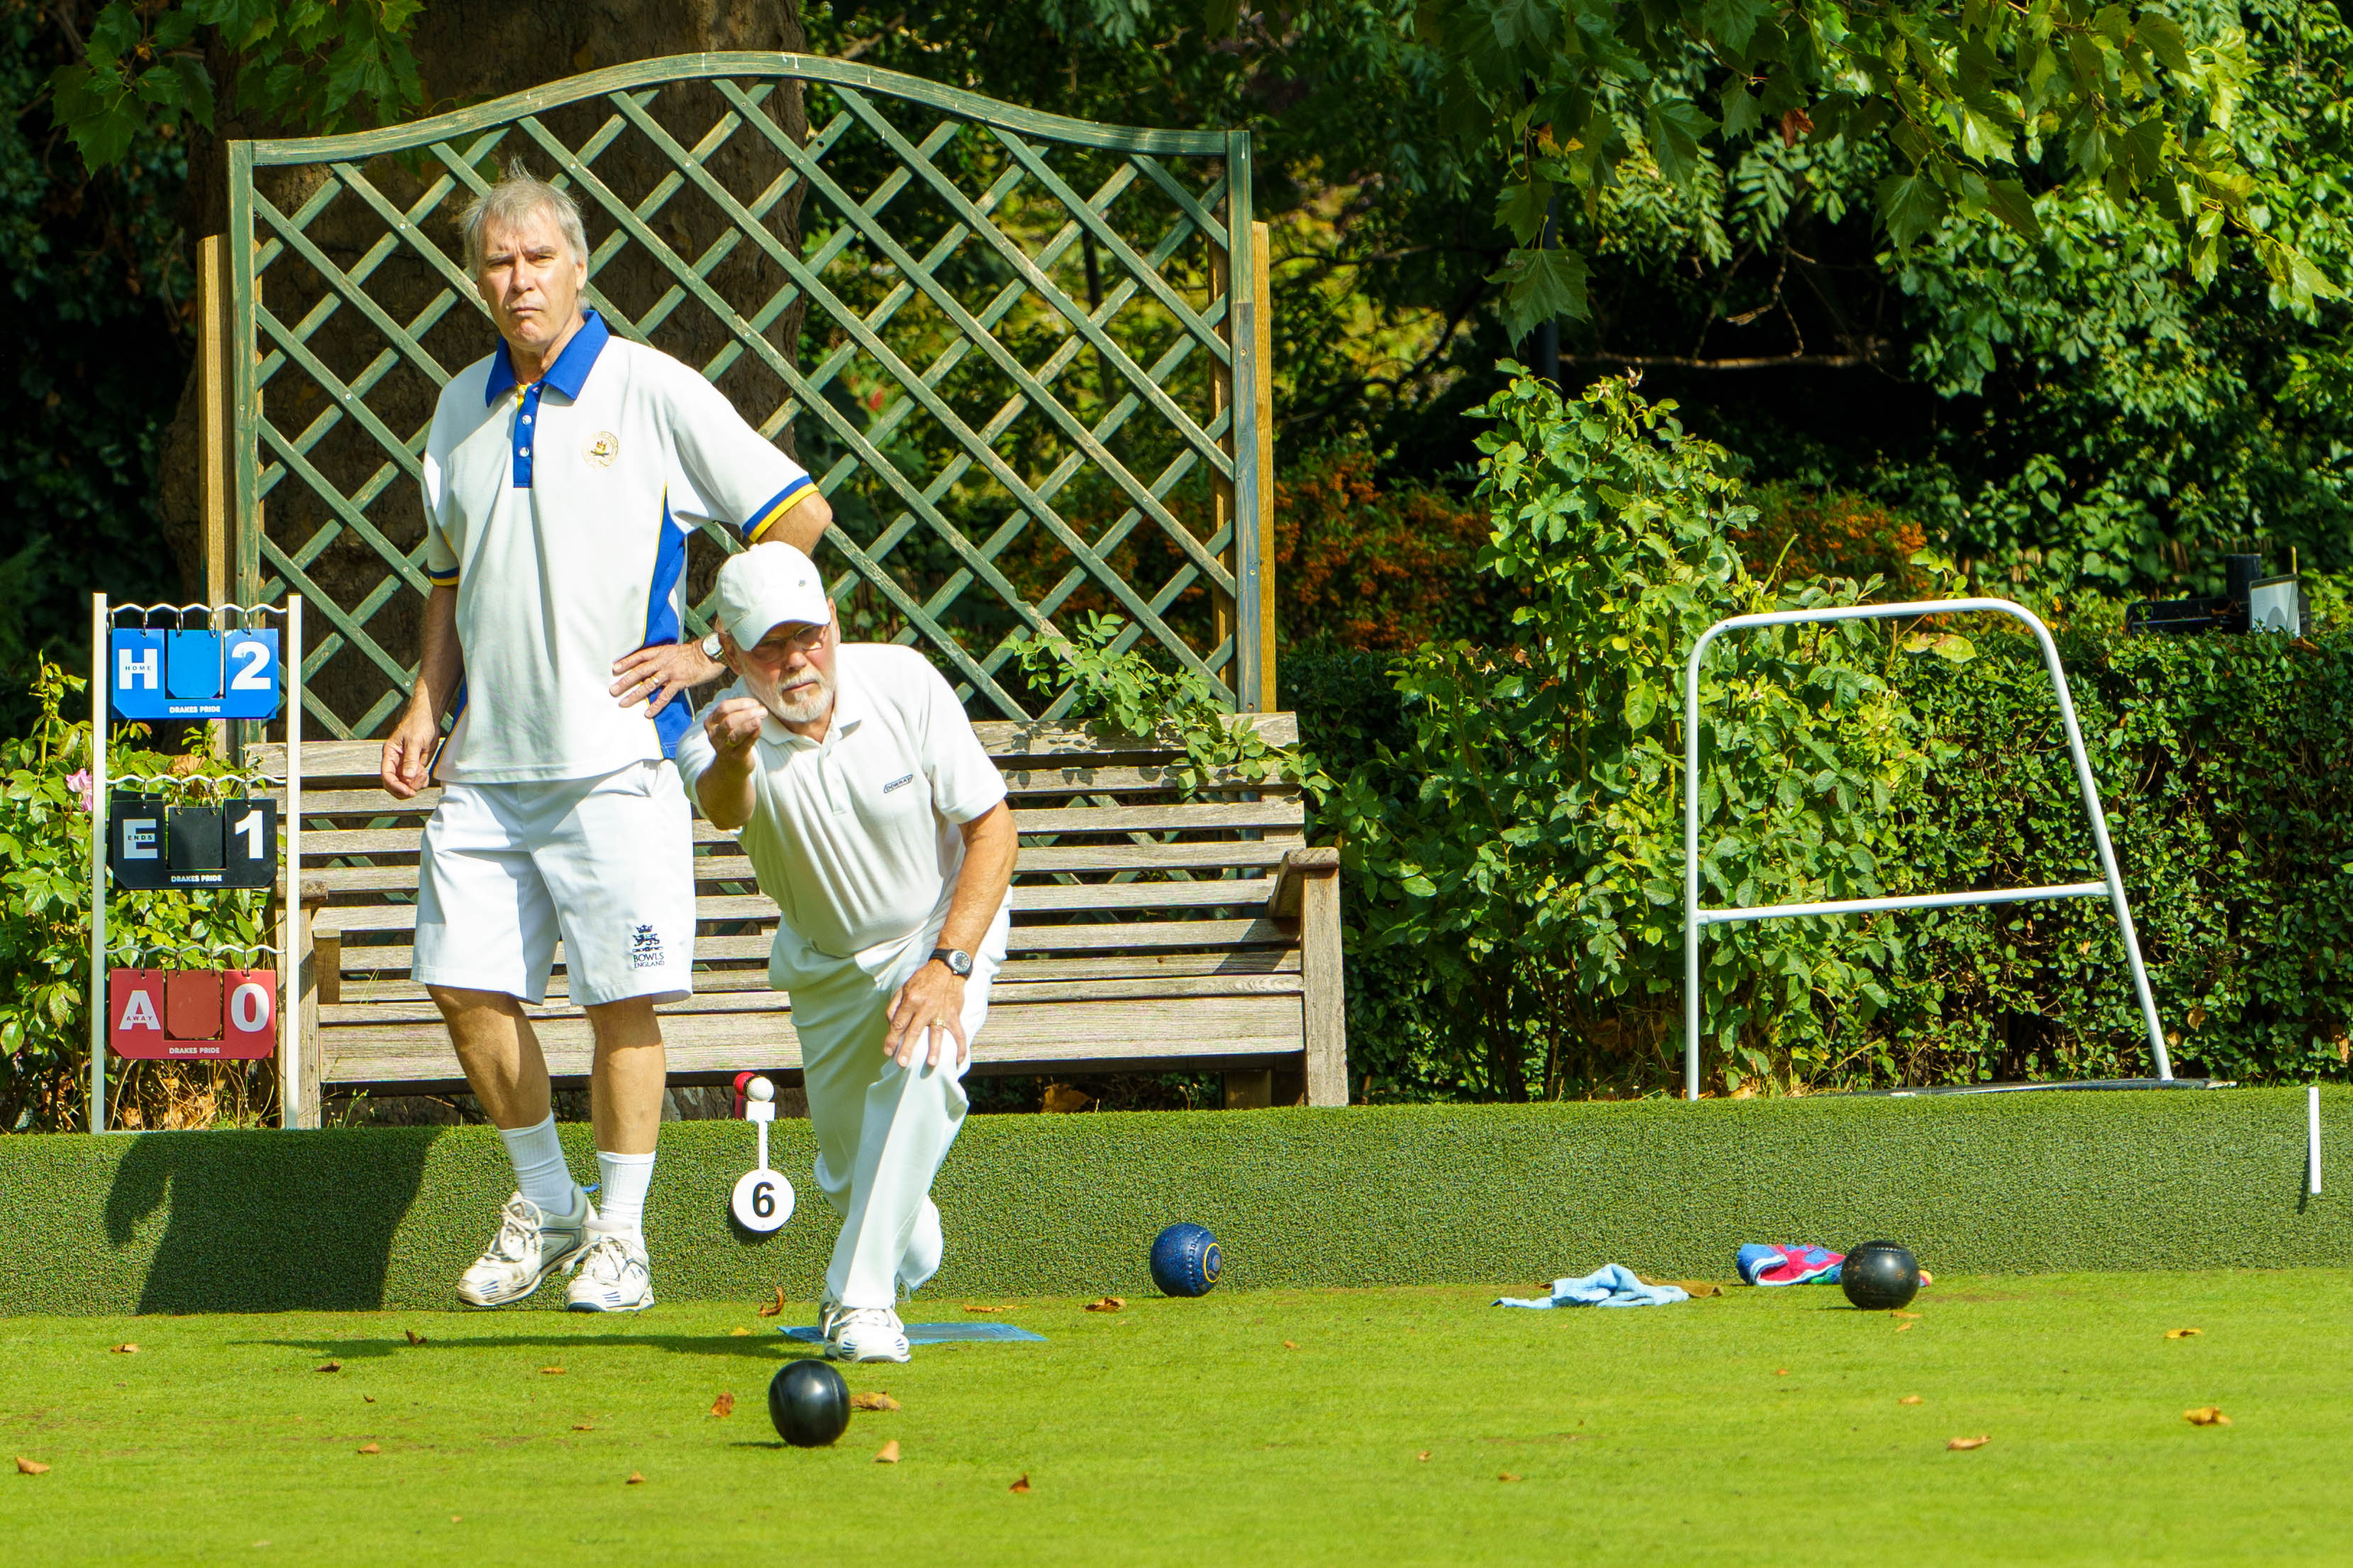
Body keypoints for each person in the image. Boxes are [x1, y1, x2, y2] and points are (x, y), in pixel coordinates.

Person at [380, 168, 830, 1313]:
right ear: (477, 278)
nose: (518, 279)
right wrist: (424, 705)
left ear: (580, 267)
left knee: (617, 1005)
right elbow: (446, 581)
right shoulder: (456, 408)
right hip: (486, 769)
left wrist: (713, 657)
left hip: (619, 761)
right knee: (461, 988)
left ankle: (623, 1240)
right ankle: (554, 1204)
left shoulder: (651, 389)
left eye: (537, 258)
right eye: (497, 262)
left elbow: (795, 517)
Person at [675, 543, 1017, 1363]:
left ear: (832, 619)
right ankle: (901, 1240)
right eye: (768, 646)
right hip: (827, 969)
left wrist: (948, 966)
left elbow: (992, 829)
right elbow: (725, 808)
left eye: (808, 635)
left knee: (927, 1062)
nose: (796, 660)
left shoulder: (902, 680)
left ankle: (857, 1302)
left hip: (942, 929)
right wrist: (733, 755)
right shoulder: (714, 738)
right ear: (730, 648)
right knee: (851, 1179)